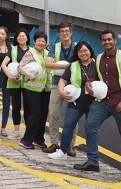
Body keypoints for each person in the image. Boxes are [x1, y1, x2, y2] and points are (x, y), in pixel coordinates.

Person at [74, 30, 121, 180]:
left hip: (120, 103)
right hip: (103, 101)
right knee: (90, 126)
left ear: (114, 40)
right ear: (101, 42)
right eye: (104, 40)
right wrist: (89, 82)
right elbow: (96, 76)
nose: (107, 42)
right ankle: (92, 162)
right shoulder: (99, 58)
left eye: (109, 39)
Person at [48, 41, 95, 159]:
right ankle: (63, 151)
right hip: (77, 101)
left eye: (85, 50)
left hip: (93, 103)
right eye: (80, 51)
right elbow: (62, 80)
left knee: (91, 129)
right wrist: (62, 91)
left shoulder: (97, 64)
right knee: (68, 125)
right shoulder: (73, 65)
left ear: (90, 51)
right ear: (77, 53)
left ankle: (92, 158)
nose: (83, 53)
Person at [43, 22, 77, 156]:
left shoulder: (77, 47)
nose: (64, 33)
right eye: (62, 31)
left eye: (67, 31)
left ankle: (71, 145)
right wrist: (65, 67)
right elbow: (47, 64)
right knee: (53, 113)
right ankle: (54, 143)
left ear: (71, 32)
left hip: (74, 84)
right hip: (57, 83)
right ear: (58, 34)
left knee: (73, 115)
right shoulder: (55, 47)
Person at [17, 31, 52, 149]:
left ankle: (39, 139)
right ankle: (26, 140)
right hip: (31, 87)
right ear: (34, 42)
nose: (41, 43)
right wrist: (29, 75)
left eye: (43, 41)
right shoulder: (30, 53)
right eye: (39, 41)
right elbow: (19, 67)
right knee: (36, 111)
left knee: (43, 114)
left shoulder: (48, 54)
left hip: (45, 88)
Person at [1, 29, 30, 139]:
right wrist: (10, 77)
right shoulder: (12, 50)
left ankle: (28, 131)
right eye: (19, 36)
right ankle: (17, 131)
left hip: (27, 82)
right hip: (14, 81)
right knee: (16, 106)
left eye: (23, 36)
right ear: (16, 38)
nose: (21, 38)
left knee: (28, 106)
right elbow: (3, 64)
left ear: (27, 38)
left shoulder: (31, 50)